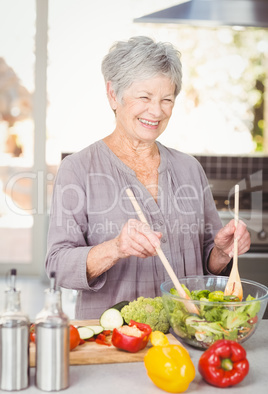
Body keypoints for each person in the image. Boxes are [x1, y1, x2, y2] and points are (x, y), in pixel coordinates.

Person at [45, 36, 250, 319]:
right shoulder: (78, 169)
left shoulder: (189, 168)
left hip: (186, 336)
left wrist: (223, 252)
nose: (156, 111)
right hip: (115, 342)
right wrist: (115, 248)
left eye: (167, 99)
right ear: (113, 94)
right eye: (144, 97)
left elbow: (207, 264)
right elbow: (57, 266)